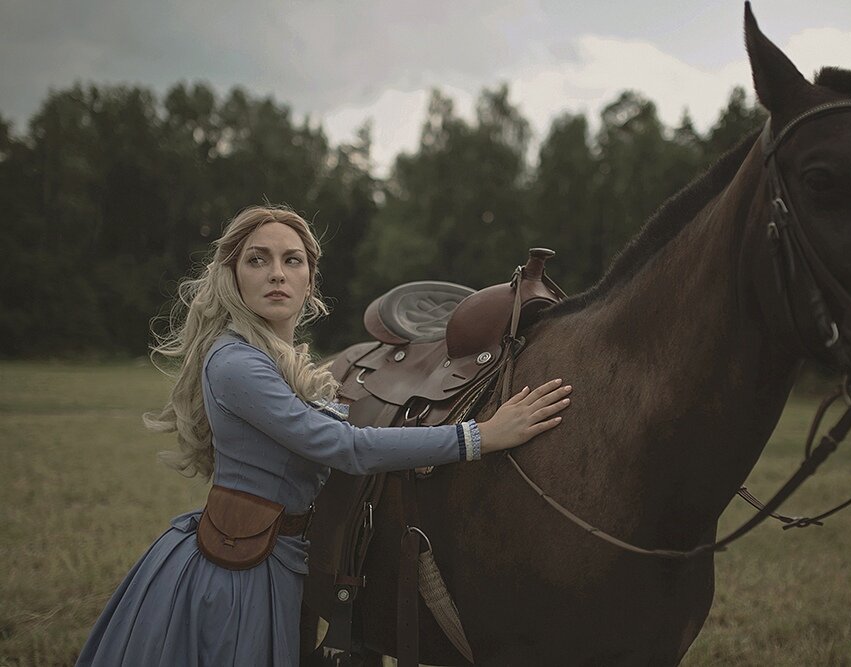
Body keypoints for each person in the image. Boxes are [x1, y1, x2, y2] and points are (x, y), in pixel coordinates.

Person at [76, 205, 572, 666]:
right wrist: (481, 435)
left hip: (272, 556)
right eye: (258, 259)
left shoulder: (271, 358)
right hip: (237, 574)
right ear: (232, 277)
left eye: (292, 260)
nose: (276, 272)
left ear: (309, 278)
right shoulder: (236, 363)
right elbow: (346, 448)